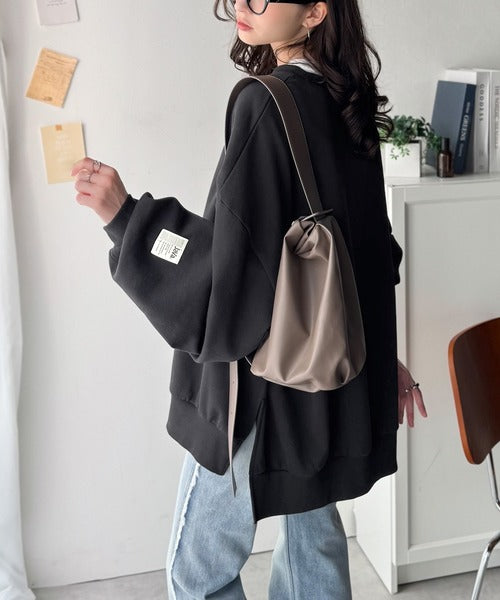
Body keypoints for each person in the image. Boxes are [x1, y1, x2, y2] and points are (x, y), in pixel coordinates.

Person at [71, 0, 428, 597]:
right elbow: (366, 256)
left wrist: (127, 220)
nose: (242, 3)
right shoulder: (349, 102)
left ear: (315, 12)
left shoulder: (265, 102)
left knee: (197, 573)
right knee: (312, 556)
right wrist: (378, 360)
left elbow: (227, 278)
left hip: (260, 391)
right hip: (328, 386)